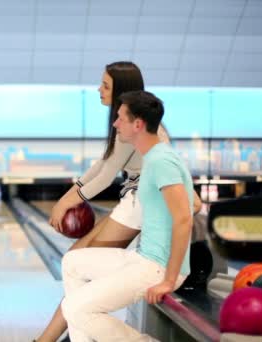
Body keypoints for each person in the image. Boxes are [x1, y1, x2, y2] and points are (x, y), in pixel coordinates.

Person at [36, 62, 201, 342]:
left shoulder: (146, 142)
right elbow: (103, 164)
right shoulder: (135, 131)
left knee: (79, 273)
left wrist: (64, 203)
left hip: (137, 205)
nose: (98, 90)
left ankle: (51, 337)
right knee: (74, 262)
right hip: (135, 201)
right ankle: (64, 334)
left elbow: (104, 177)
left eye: (105, 85)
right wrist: (68, 194)